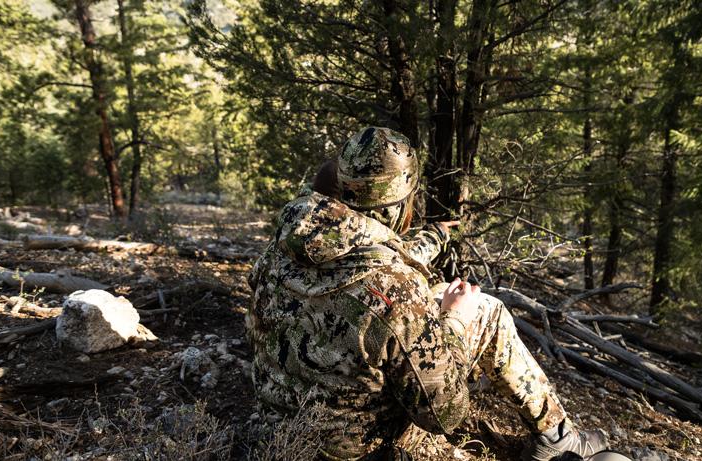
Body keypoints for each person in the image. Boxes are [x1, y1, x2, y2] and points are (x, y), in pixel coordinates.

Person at [246, 126, 608, 460]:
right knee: (487, 309)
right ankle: (560, 438)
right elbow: (446, 414)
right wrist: (456, 316)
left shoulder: (285, 245)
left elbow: (363, 251)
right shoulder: (395, 290)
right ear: (401, 201)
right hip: (346, 450)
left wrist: (434, 237)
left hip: (273, 429)